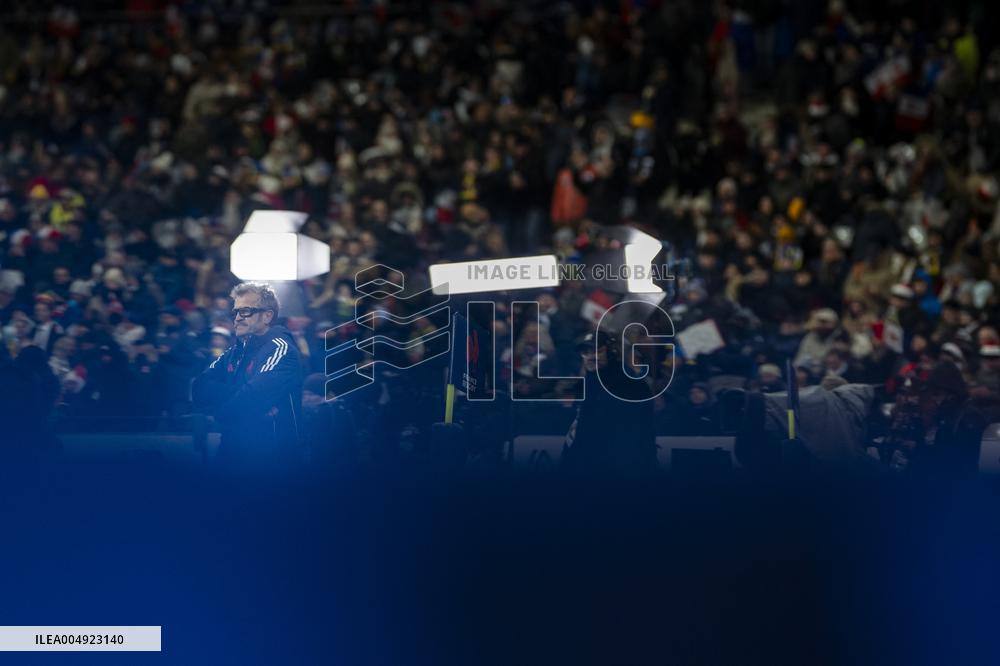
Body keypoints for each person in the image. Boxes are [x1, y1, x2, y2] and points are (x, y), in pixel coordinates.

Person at [192, 282, 304, 470]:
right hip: (229, 450)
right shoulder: (236, 350)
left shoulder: (281, 349)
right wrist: (241, 395)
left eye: (245, 312)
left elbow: (252, 398)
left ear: (267, 316)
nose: (237, 318)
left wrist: (219, 412)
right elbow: (198, 388)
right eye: (235, 312)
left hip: (271, 458)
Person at [562, 331, 656, 475]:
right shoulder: (587, 383)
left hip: (620, 474)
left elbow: (641, 433)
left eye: (597, 351)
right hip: (587, 473)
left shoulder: (630, 384)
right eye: (585, 353)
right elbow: (580, 427)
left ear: (612, 352)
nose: (591, 357)